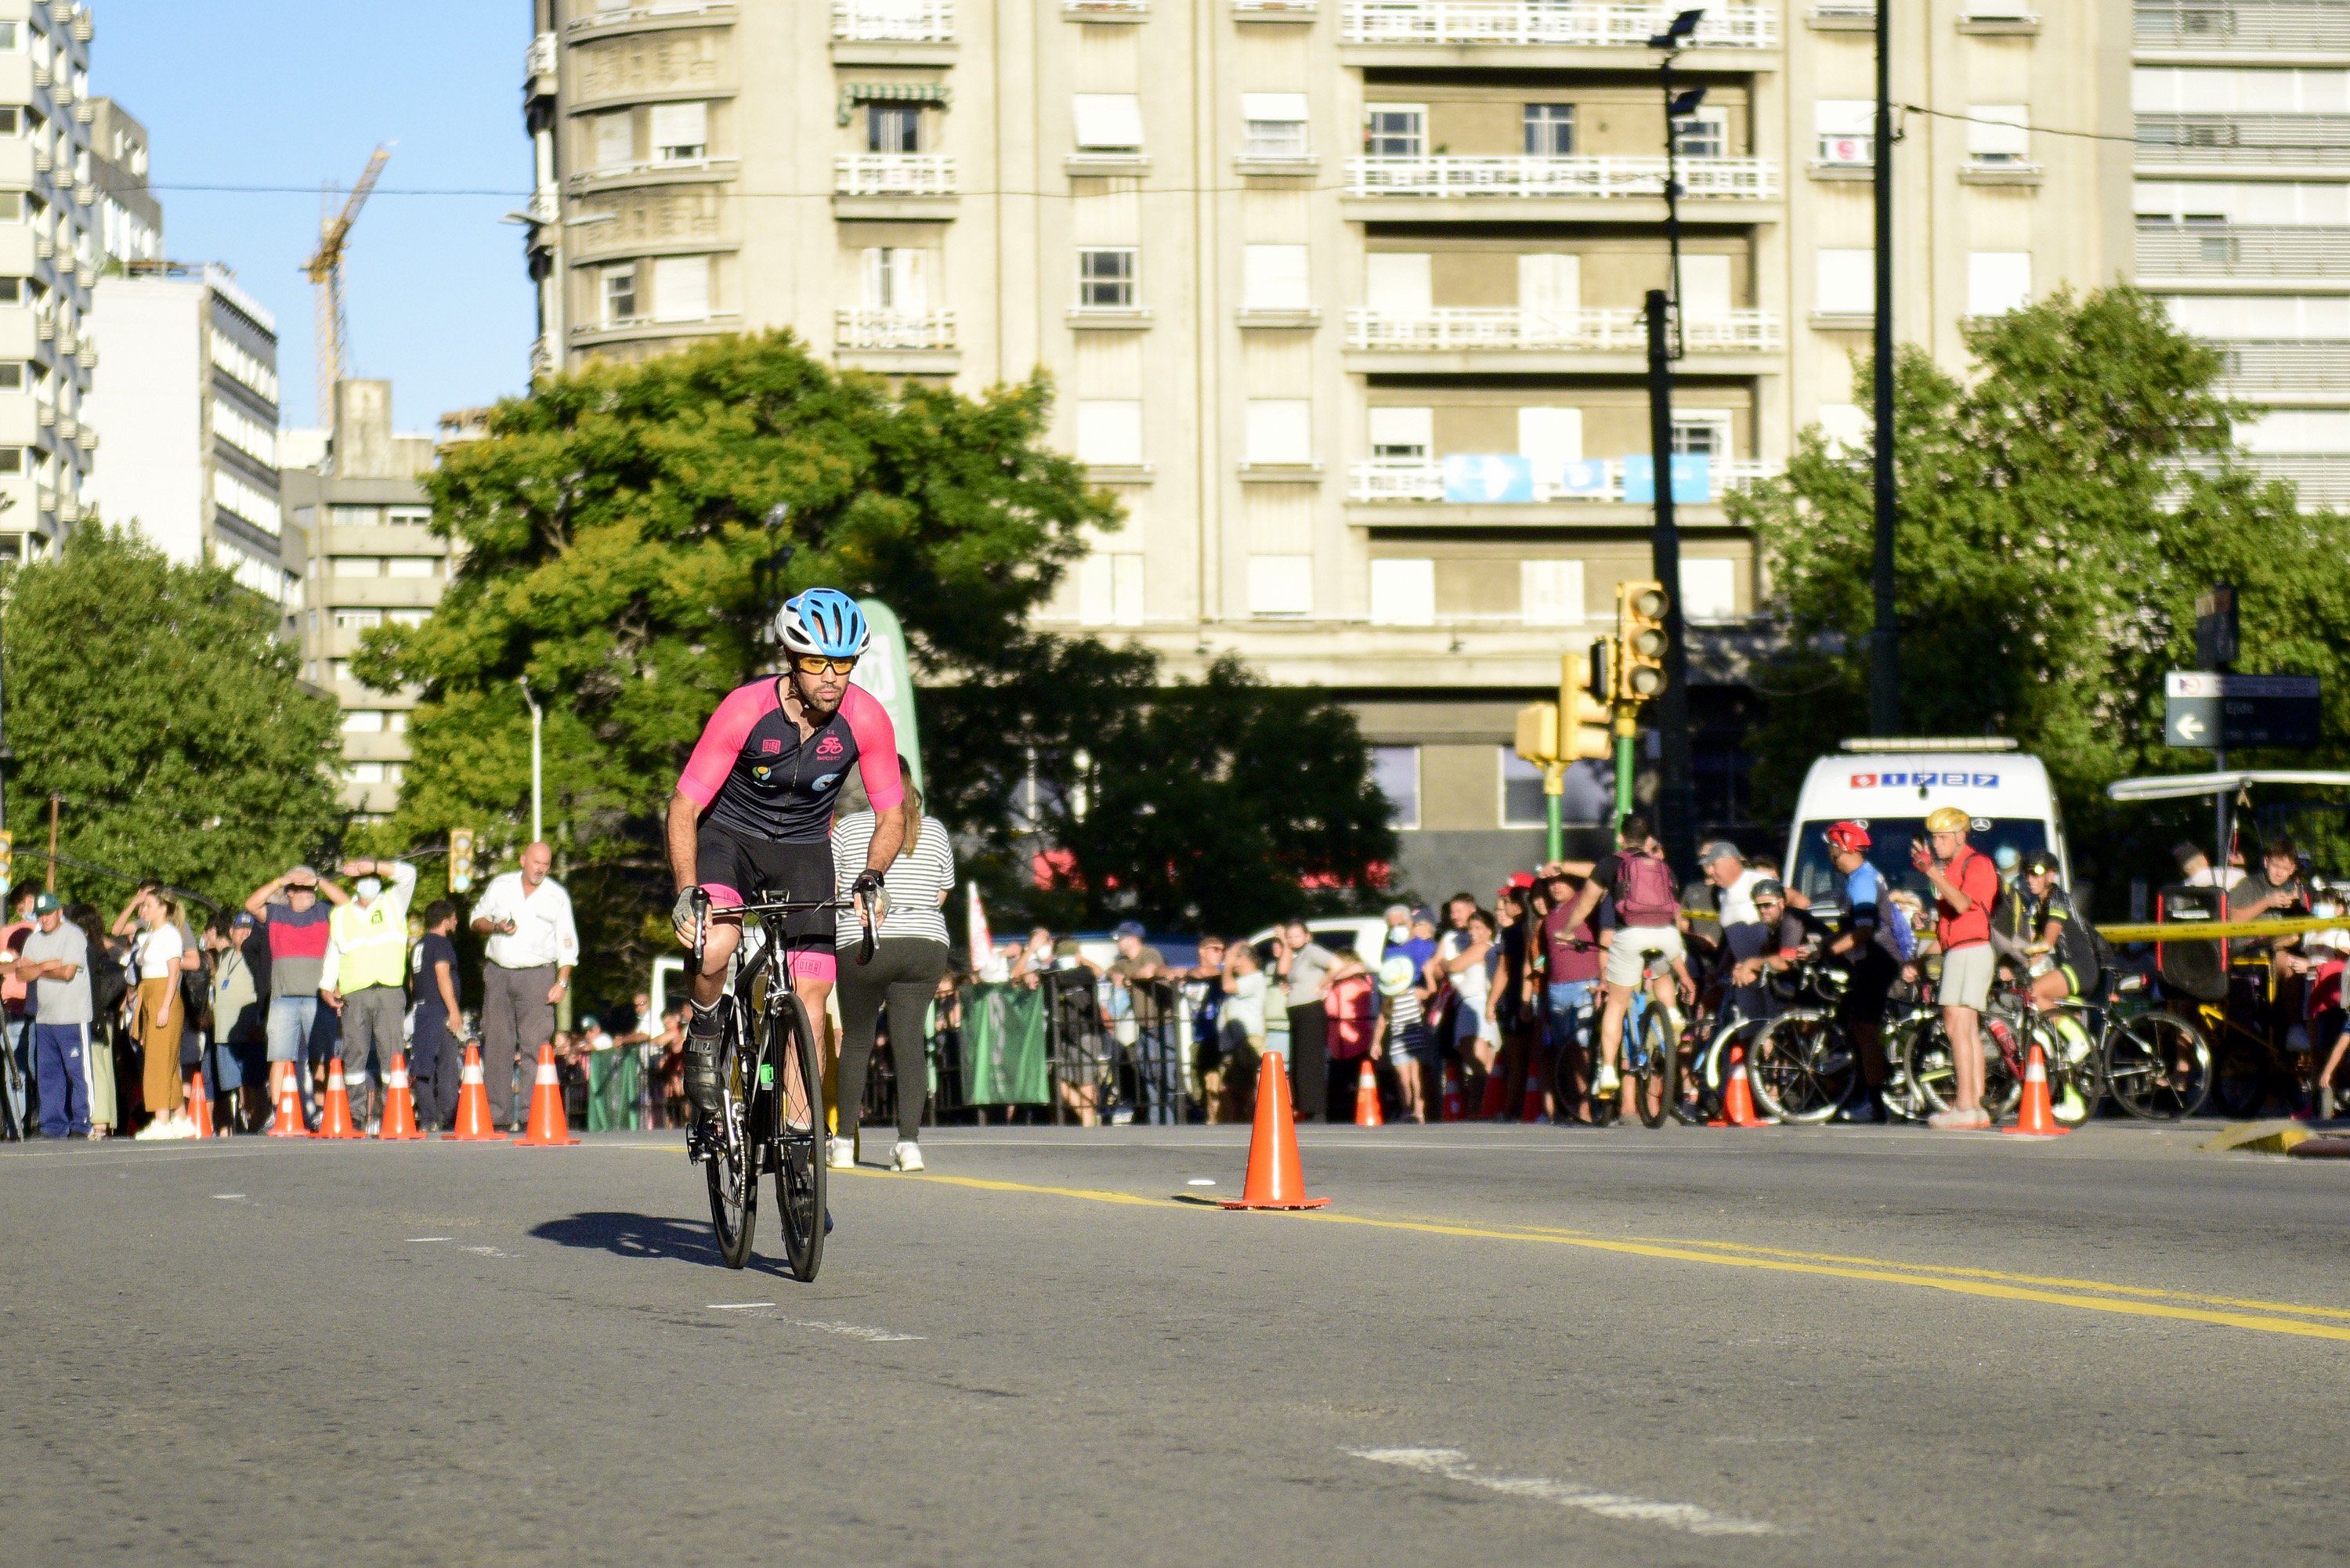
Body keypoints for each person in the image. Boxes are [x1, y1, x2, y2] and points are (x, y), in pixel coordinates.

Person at [667, 588, 905, 1129]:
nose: (832, 677)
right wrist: (688, 891)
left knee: (812, 997)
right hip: (729, 839)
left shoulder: (865, 719)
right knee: (716, 944)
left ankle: (801, 1145)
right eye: (818, 662)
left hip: (804, 847)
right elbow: (683, 808)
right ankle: (705, 1029)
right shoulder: (745, 710)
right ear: (791, 661)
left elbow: (892, 815)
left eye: (843, 663)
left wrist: (873, 877)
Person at [832, 754, 953, 1172]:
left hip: (864, 942)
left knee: (858, 1039)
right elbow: (941, 894)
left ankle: (844, 1142)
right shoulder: (933, 829)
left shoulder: (849, 828)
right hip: (924, 944)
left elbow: (835, 891)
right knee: (909, 1043)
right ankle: (909, 1143)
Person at [1553, 815, 1694, 1111]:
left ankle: (1607, 1071)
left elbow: (1586, 903)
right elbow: (1676, 912)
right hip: (1667, 935)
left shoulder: (1610, 864)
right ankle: (1671, 1010)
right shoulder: (1663, 866)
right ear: (1649, 840)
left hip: (1629, 935)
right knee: (1661, 970)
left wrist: (1567, 931)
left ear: (1621, 838)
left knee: (1616, 1004)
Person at [472, 840, 581, 1133]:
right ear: (523, 860)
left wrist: (562, 982)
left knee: (536, 1045)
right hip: (498, 973)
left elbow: (568, 944)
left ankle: (533, 1113)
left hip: (538, 977)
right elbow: (475, 920)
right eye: (536, 862)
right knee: (497, 1044)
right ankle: (498, 1116)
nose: (541, 869)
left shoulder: (557, 896)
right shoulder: (500, 885)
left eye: (546, 864)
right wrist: (495, 926)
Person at [1913, 806, 1998, 1129]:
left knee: (1956, 1025)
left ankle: (1964, 1105)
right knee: (1967, 1028)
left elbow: (1964, 905)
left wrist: (1932, 873)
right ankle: (1974, 1105)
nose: (1937, 844)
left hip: (1970, 950)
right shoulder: (1955, 867)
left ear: (1962, 835)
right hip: (1964, 949)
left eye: (1943, 837)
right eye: (1934, 837)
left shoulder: (1977, 864)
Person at [319, 858, 418, 1132]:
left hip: (388, 990)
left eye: (374, 877)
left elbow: (409, 874)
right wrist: (327, 986)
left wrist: (374, 865)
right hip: (355, 993)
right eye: (364, 878)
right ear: (354, 884)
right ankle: (355, 1114)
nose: (370, 882)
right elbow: (333, 952)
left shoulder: (392, 903)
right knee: (354, 1056)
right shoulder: (340, 915)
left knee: (392, 1055)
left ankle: (393, 1111)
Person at [245, 865, 345, 1131]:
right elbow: (251, 903)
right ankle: (279, 1113)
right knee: (280, 1057)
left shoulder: (324, 911)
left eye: (309, 888)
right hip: (284, 999)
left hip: (318, 998)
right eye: (300, 889)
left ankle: (323, 1113)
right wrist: (280, 879)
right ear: (289, 892)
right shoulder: (276, 913)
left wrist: (320, 881)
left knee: (319, 1059)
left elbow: (346, 904)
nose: (307, 893)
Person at [1817, 822, 1902, 1122]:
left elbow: (1865, 928)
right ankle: (1866, 1093)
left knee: (1866, 1032)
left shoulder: (1862, 880)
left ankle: (1875, 1103)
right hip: (1873, 959)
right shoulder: (1860, 877)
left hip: (1878, 960)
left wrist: (1827, 950)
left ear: (1844, 847)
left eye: (1831, 847)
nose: (1829, 854)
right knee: (1859, 1028)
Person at [113, 886, 193, 1140]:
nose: (143, 909)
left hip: (162, 995)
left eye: (148, 905)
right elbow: (116, 930)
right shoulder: (150, 934)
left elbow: (174, 973)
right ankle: (180, 1118)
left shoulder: (170, 934)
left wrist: (165, 1006)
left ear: (162, 908)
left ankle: (162, 1120)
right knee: (163, 1060)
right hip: (149, 995)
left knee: (158, 1062)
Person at [13, 894, 93, 1139]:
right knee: (48, 1074)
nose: (44, 918)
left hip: (72, 1016)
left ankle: (82, 1122)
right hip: (45, 1018)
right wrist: (47, 965)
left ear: (60, 912)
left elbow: (68, 972)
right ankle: (53, 1125)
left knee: (78, 1072)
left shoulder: (73, 934)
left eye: (48, 913)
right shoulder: (34, 940)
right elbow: (22, 974)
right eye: (40, 914)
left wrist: (37, 968)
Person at [1272, 919, 1358, 1122]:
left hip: (1310, 1009)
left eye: (1297, 936)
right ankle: (1305, 1107)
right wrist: (1284, 943)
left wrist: (1322, 985)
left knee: (1310, 1061)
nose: (1293, 940)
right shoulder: (1297, 956)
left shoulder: (1311, 951)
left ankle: (1316, 1109)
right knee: (1299, 1062)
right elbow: (1283, 972)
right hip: (1297, 1010)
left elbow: (1336, 965)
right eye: (1290, 936)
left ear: (1307, 936)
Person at [1539, 865, 1603, 1121]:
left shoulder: (1584, 902)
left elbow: (1597, 871)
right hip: (1556, 988)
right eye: (1552, 882)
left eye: (1562, 881)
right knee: (1570, 1051)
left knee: (1587, 1045)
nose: (1556, 886)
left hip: (1585, 984)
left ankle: (1596, 1101)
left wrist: (1562, 864)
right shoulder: (1548, 913)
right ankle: (1583, 1100)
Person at [206, 912, 268, 1133]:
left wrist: (261, 1023)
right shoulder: (224, 957)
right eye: (240, 928)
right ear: (231, 932)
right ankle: (236, 1128)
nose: (245, 932)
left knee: (253, 1084)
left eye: (249, 928)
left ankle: (256, 1126)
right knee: (231, 1088)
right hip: (224, 1034)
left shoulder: (259, 957)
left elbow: (265, 992)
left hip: (250, 1032)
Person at [410, 901, 463, 1132]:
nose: (456, 922)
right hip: (439, 1009)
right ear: (445, 922)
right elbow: (443, 976)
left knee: (422, 1065)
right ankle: (448, 1115)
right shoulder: (441, 944)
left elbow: (412, 982)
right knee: (447, 1066)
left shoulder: (418, 945)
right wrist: (453, 1010)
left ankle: (427, 1117)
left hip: (421, 1009)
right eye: (454, 918)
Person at [1371, 954, 1435, 1122]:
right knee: (1415, 1078)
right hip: (1415, 1041)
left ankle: (1408, 1110)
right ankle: (1418, 1111)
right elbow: (1432, 992)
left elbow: (1381, 1023)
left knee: (1404, 1080)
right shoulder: (1415, 993)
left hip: (1399, 1043)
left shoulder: (1388, 1000)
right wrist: (1428, 974)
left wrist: (1376, 1043)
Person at [1217, 941, 1268, 1122]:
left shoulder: (1254, 978)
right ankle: (1237, 1119)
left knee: (1244, 1084)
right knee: (1232, 1085)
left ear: (1244, 959)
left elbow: (1228, 986)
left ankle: (1249, 1120)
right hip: (1234, 1041)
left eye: (1233, 958)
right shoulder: (1241, 980)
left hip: (1247, 1039)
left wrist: (1228, 966)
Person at [2, 886, 36, 1138]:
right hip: (34, 1007)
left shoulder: (6, 932)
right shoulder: (47, 933)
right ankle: (22, 1123)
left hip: (12, 1007)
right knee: (25, 1069)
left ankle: (15, 1125)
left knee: (14, 1069)